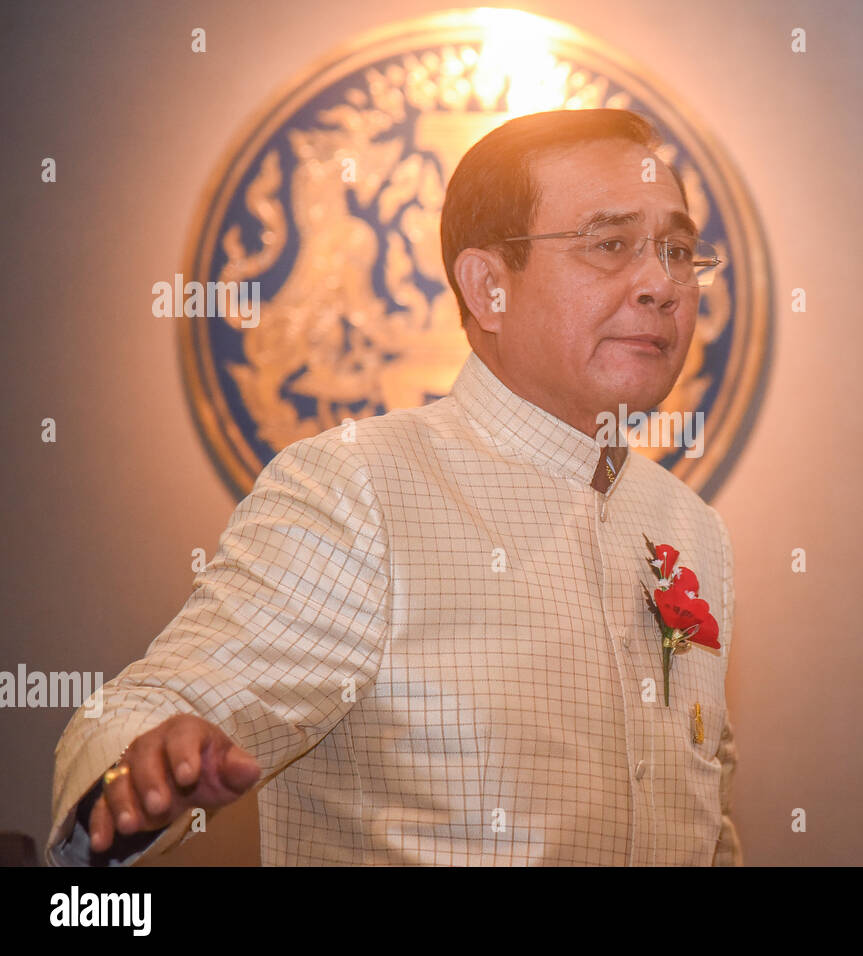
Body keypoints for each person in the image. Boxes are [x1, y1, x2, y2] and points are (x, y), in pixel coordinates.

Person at [46, 107, 741, 866]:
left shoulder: (690, 525)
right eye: (611, 246)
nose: (662, 284)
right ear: (487, 287)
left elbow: (703, 820)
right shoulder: (360, 489)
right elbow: (152, 707)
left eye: (677, 250)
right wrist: (136, 773)